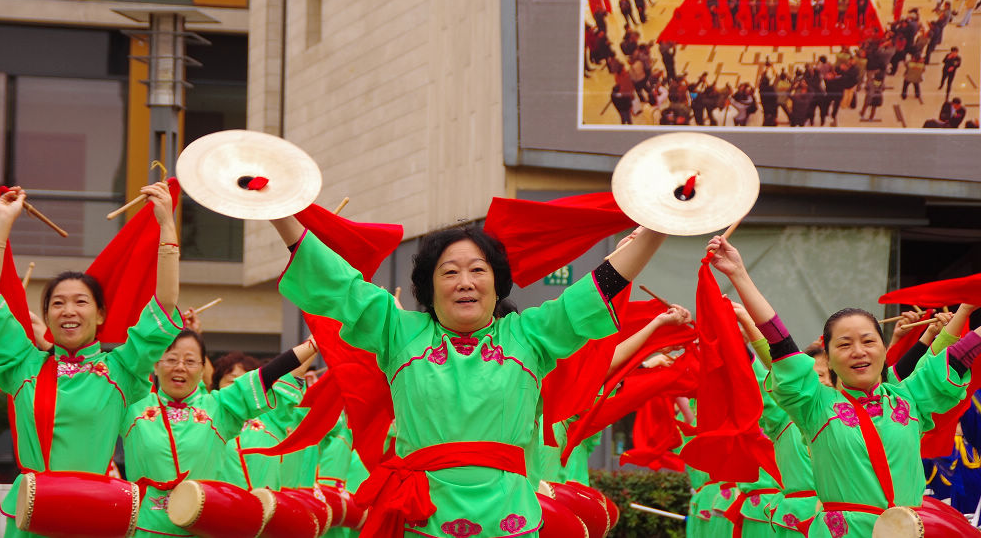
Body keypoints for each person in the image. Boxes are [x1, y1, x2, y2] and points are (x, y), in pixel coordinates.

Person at [269, 215, 669, 536]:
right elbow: (340, 286)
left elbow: (595, 290)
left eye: (477, 270)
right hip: (423, 516)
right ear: (428, 287)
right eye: (449, 273)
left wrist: (660, 224)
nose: (465, 282)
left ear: (497, 283)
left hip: (510, 516)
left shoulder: (529, 336)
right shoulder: (399, 331)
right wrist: (279, 212)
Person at [706, 234, 978, 538]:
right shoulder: (814, 405)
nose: (858, 351)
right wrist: (739, 275)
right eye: (844, 344)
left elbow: (954, 358)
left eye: (868, 341)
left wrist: (967, 313)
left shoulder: (909, 399)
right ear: (830, 359)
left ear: (884, 350)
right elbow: (781, 346)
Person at [0, 183, 180, 538]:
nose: (69, 310)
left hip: (94, 514)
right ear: (46, 317)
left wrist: (167, 225)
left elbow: (165, 305)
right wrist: (0, 222)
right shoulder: (22, 365)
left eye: (81, 302)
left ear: (100, 315)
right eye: (57, 303)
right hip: (32, 516)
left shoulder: (121, 369)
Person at [122, 330, 319, 535]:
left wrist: (314, 344)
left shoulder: (219, 408)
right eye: (171, 359)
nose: (180, 367)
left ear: (202, 369)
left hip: (205, 529)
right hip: (144, 530)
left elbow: (268, 374)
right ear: (156, 364)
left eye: (190, 361)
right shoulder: (132, 406)